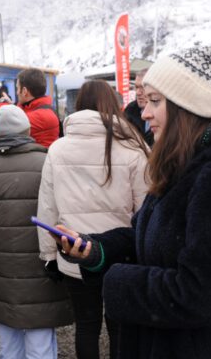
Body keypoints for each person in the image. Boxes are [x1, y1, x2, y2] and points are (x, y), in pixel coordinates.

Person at [53, 44, 211, 359]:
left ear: (188, 107)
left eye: (155, 101)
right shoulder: (181, 167)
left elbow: (203, 294)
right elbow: (149, 238)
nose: (144, 112)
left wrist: (118, 281)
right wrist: (97, 250)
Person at [37, 80, 150, 359]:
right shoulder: (133, 148)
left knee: (86, 326)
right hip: (121, 255)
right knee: (119, 327)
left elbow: (47, 207)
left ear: (78, 106)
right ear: (113, 104)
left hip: (75, 251)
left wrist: (49, 255)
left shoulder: (58, 149)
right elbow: (146, 210)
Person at [0, 105, 73, 359]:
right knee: (40, 345)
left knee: (9, 346)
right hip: (41, 266)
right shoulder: (46, 163)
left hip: (4, 269)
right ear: (28, 130)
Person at [16, 69, 60, 148]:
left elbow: (2, 127)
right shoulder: (43, 110)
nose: (17, 92)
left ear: (24, 91)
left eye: (18, 88)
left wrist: (2, 103)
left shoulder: (38, 116)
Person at [124, 68, 154, 146]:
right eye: (136, 87)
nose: (138, 93)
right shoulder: (129, 111)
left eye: (143, 87)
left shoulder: (168, 113)